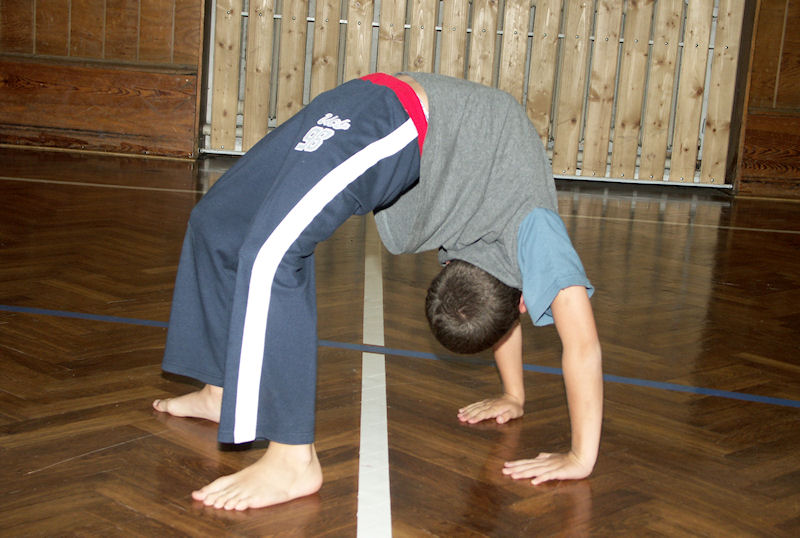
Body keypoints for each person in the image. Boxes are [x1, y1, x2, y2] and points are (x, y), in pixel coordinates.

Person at [153, 72, 603, 511]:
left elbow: (502, 308)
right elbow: (582, 347)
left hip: (372, 98)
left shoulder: (506, 263)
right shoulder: (539, 231)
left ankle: (244, 414)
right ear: (525, 302)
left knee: (224, 224)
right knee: (247, 237)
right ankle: (284, 450)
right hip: (394, 116)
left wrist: (514, 396)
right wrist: (580, 457)